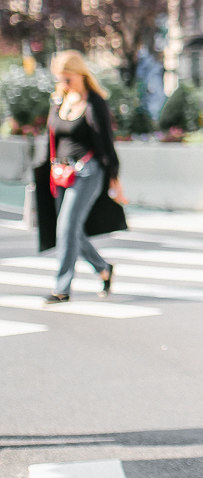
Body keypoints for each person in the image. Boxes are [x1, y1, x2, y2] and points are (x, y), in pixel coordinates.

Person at [44, 52, 123, 303]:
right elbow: (53, 139)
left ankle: (62, 288)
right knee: (71, 230)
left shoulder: (94, 102)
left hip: (87, 172)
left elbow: (106, 143)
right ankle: (103, 267)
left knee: (66, 227)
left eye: (68, 79)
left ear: (80, 75)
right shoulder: (59, 102)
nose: (64, 84)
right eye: (60, 79)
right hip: (60, 173)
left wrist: (114, 176)